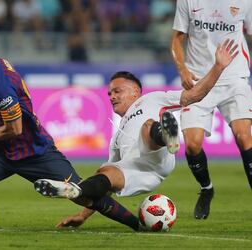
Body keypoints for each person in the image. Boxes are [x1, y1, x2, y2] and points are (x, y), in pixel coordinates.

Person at [34, 39, 238, 230]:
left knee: (148, 126)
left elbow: (194, 95)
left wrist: (218, 67)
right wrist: (82, 215)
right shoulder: (117, 137)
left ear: (135, 91)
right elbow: (106, 186)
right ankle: (77, 191)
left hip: (157, 155)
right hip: (137, 173)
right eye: (109, 93)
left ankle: (167, 137)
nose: (112, 96)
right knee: (104, 172)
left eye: (117, 91)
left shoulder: (152, 99)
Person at [0, 27, 82, 231]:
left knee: (84, 193)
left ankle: (127, 210)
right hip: (2, 148)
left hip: (32, 149)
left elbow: (16, 129)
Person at [171, 0, 252, 220]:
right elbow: (177, 39)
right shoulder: (188, 0)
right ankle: (207, 189)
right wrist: (183, 69)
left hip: (234, 76)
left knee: (244, 137)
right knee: (192, 145)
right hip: (198, 79)